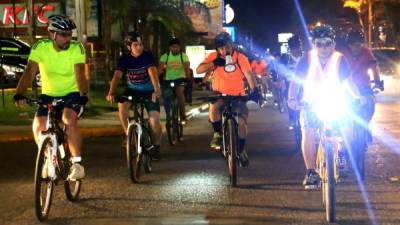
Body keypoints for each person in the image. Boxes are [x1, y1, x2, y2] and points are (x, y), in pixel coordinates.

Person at [13, 15, 88, 180]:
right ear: (52, 34)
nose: (68, 38)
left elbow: (80, 74)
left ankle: (77, 164)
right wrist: (19, 93)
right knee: (38, 125)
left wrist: (83, 95)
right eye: (63, 35)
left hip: (72, 94)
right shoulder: (40, 47)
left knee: (68, 119)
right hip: (48, 95)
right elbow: (29, 72)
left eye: (69, 34)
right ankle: (48, 158)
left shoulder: (77, 48)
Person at [287, 24, 359, 189]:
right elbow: (294, 82)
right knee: (308, 132)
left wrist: (357, 97)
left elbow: (349, 82)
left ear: (333, 44)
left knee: (347, 127)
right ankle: (311, 172)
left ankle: (341, 153)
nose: (324, 47)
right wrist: (292, 99)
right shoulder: (306, 59)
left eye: (327, 43)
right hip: (310, 103)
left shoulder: (340, 59)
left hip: (335, 100)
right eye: (320, 44)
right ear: (314, 44)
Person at [196, 32, 260, 167]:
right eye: (221, 48)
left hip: (238, 95)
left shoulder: (240, 57)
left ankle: (241, 150)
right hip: (219, 94)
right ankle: (218, 134)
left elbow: (248, 74)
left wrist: (254, 90)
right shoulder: (213, 56)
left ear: (231, 46)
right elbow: (199, 69)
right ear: (217, 49)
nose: (225, 51)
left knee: (242, 123)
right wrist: (213, 63)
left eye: (227, 47)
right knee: (213, 109)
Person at [107, 31, 162, 159]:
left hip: (149, 91)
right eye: (136, 45)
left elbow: (152, 72)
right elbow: (117, 76)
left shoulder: (147, 56)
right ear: (129, 47)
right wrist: (111, 91)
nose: (139, 47)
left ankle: (156, 146)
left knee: (154, 119)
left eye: (141, 44)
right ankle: (129, 135)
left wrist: (156, 89)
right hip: (132, 90)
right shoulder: (125, 59)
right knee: (122, 106)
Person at [342, 29, 383, 143]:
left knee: (370, 105)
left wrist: (377, 82)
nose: (357, 47)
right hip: (346, 88)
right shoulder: (342, 54)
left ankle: (366, 126)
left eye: (359, 44)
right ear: (349, 45)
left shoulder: (366, 52)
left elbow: (374, 68)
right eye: (354, 45)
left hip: (364, 87)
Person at [159, 37, 191, 124]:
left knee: (179, 93)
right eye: (173, 47)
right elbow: (160, 68)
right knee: (166, 97)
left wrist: (188, 79)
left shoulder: (183, 56)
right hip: (168, 80)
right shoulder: (165, 56)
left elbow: (187, 68)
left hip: (180, 79)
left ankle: (182, 115)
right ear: (170, 48)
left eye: (177, 47)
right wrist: (158, 75)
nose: (175, 48)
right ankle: (168, 116)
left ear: (180, 47)